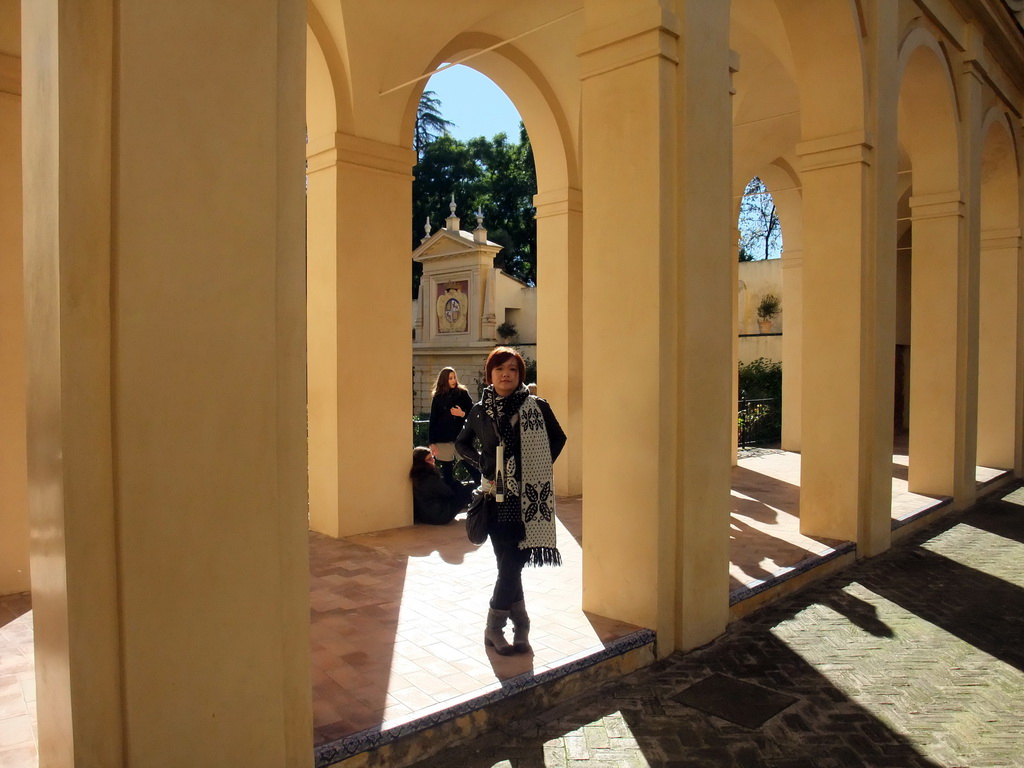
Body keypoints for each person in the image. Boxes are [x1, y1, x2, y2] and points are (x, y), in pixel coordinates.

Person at [456, 347, 566, 655]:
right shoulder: (480, 410)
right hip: (494, 498)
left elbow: (559, 438)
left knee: (511, 565)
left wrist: (539, 466)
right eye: (500, 369)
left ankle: (494, 629)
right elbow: (460, 443)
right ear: (490, 373)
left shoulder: (537, 407)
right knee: (507, 566)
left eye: (513, 370)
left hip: (529, 501)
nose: (506, 374)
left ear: (520, 375)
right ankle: (522, 628)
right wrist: (482, 464)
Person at [428, 367, 479, 484]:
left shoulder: (462, 393)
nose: (453, 380)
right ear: (444, 380)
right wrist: (432, 442)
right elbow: (433, 420)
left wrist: (462, 414)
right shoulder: (438, 397)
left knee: (470, 465)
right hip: (443, 438)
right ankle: (450, 498)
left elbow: (474, 412)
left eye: (454, 377)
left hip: (460, 437)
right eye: (450, 378)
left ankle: (482, 492)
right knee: (447, 472)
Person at [409, 446, 472, 525]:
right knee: (468, 489)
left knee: (457, 485)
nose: (433, 460)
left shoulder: (417, 476)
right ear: (421, 463)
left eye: (432, 457)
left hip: (424, 515)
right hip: (439, 515)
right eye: (430, 459)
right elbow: (448, 492)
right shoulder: (429, 478)